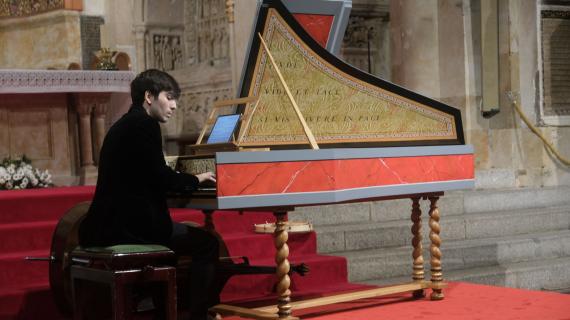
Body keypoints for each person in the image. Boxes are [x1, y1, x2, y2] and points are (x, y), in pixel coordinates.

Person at [79, 69, 220, 320]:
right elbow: (161, 178)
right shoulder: (145, 124)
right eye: (169, 97)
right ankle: (197, 315)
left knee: (181, 238)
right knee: (208, 244)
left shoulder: (121, 125)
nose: (174, 106)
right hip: (129, 228)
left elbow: (146, 176)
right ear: (149, 96)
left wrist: (176, 179)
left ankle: (164, 307)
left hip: (104, 225)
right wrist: (194, 179)